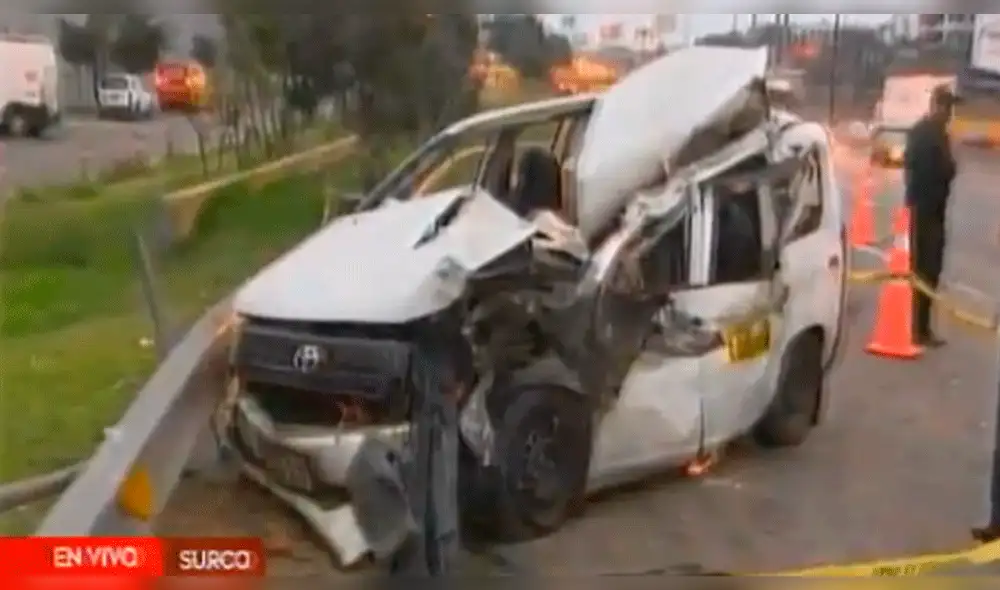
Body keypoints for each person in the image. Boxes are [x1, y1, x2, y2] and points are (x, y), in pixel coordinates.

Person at [902, 85, 959, 347]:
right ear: (936, 106)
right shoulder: (925, 133)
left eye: (951, 108)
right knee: (924, 270)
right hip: (924, 211)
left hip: (934, 210)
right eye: (946, 108)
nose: (950, 113)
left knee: (930, 271)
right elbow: (926, 169)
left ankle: (921, 327)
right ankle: (918, 329)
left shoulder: (936, 133)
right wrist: (948, 169)